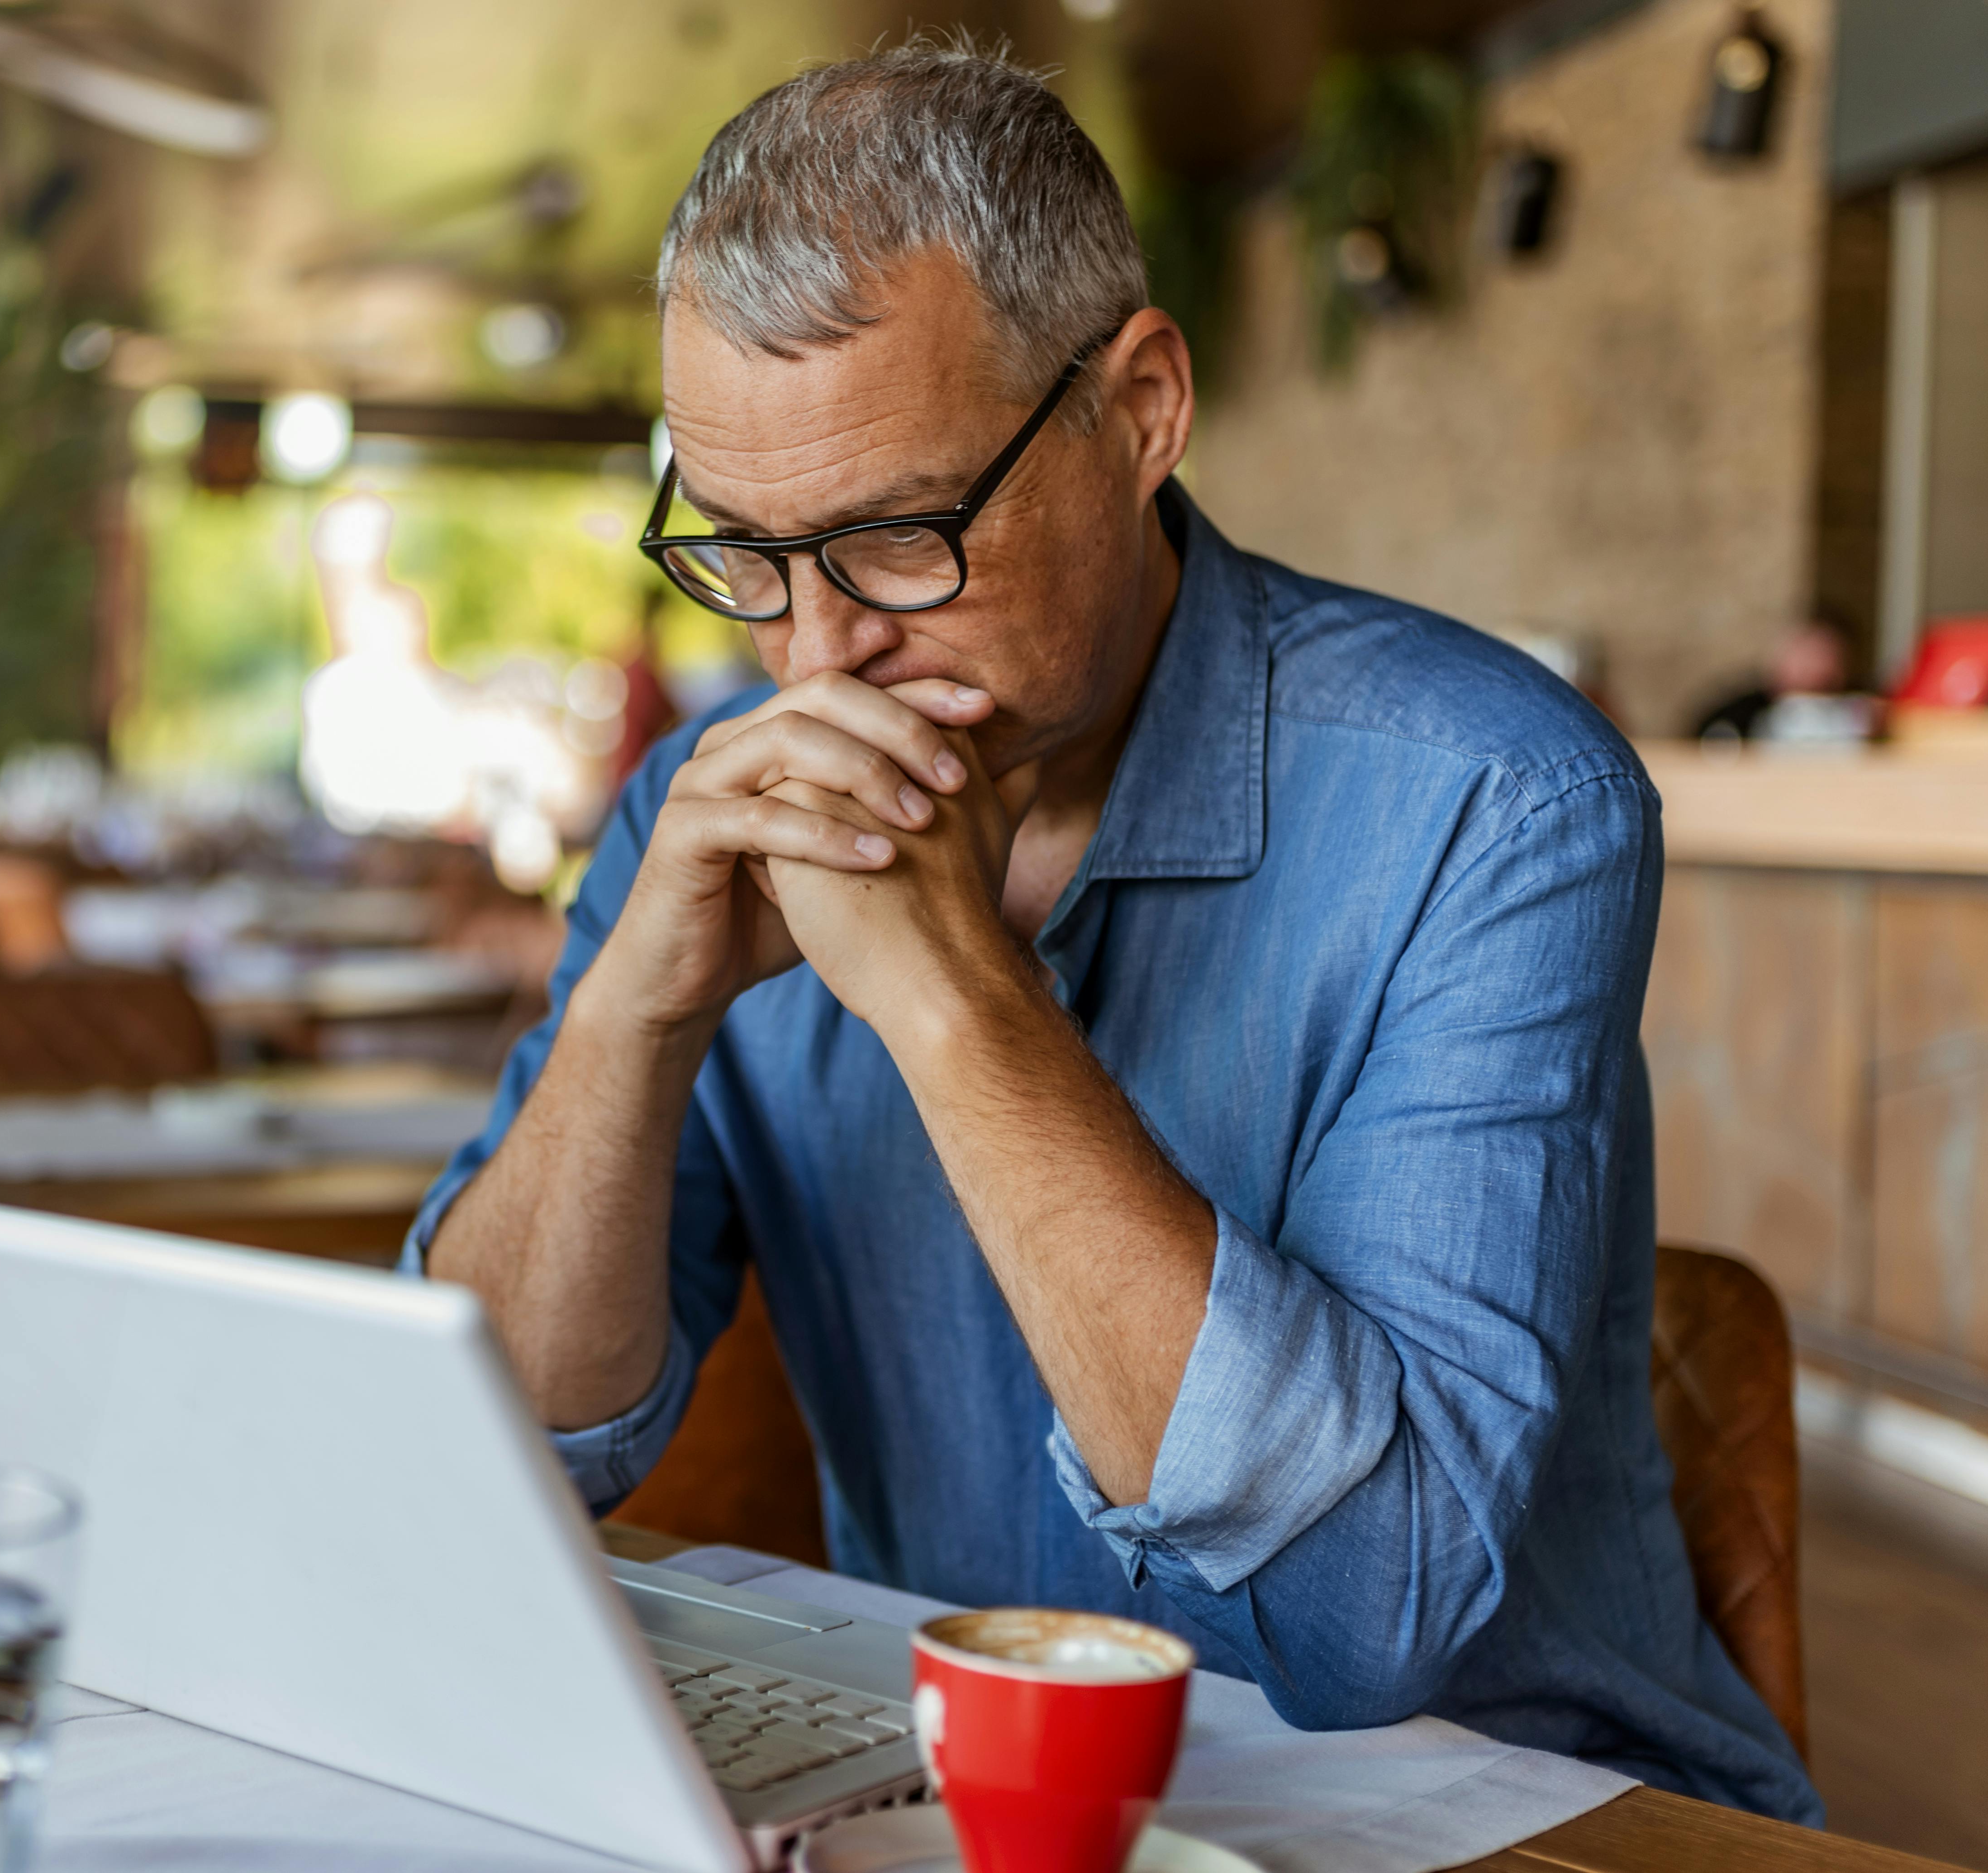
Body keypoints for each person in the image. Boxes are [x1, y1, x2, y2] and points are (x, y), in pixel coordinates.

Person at [406, 43, 1818, 1821]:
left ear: (1139, 409)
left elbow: (1371, 1616)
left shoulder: (1490, 802)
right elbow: (483, 1466)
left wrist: (947, 998)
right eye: (745, 554)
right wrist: (633, 1013)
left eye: (899, 540)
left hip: (1496, 1818)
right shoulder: (711, 811)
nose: (812, 658)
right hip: (985, 1812)